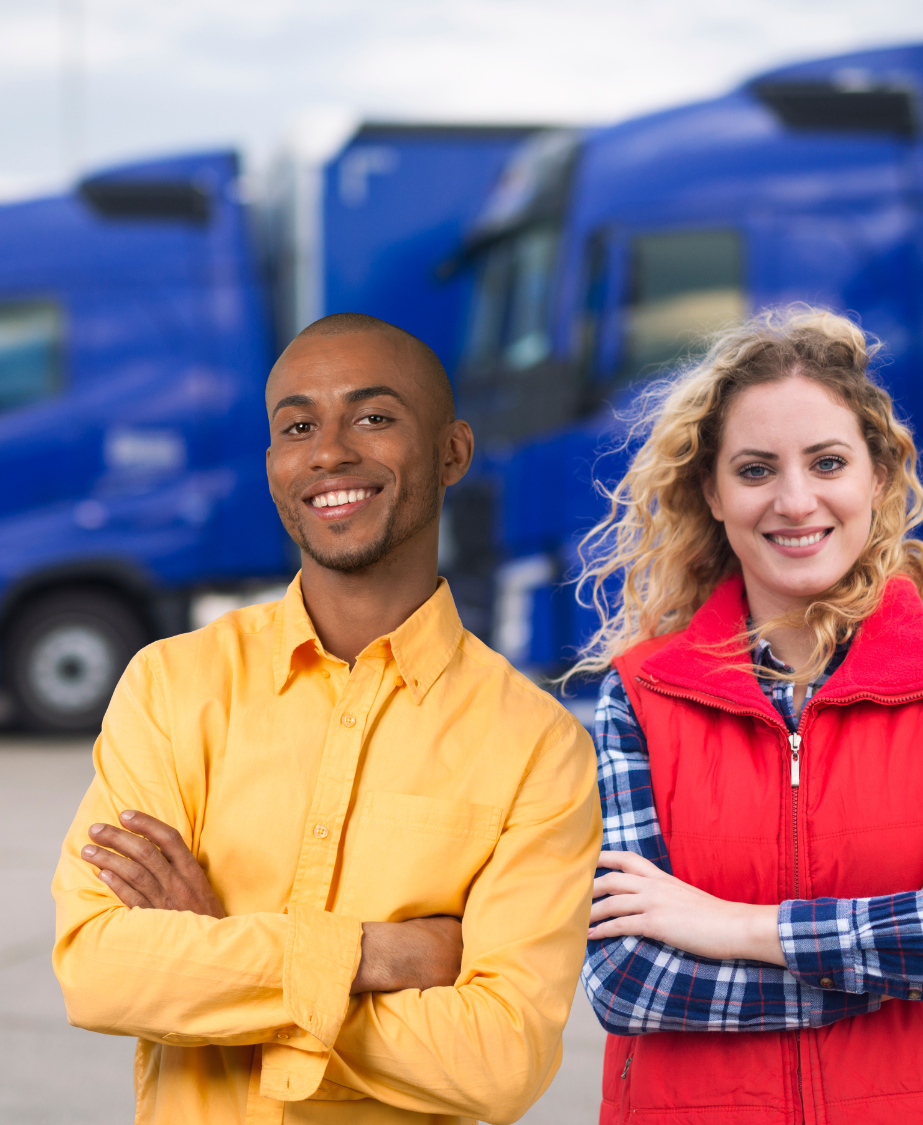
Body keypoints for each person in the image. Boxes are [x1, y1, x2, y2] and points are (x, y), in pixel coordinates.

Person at [52, 313, 601, 1125]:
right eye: (298, 425)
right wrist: (377, 954)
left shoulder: (538, 748)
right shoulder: (172, 685)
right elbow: (99, 968)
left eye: (373, 417)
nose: (330, 451)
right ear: (274, 463)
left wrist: (220, 954)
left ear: (453, 451)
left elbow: (498, 1060)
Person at [573, 307, 923, 1125]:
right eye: (756, 469)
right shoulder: (639, 695)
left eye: (827, 461)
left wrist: (734, 926)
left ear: (875, 476)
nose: (796, 500)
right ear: (712, 490)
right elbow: (628, 979)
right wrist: (902, 962)